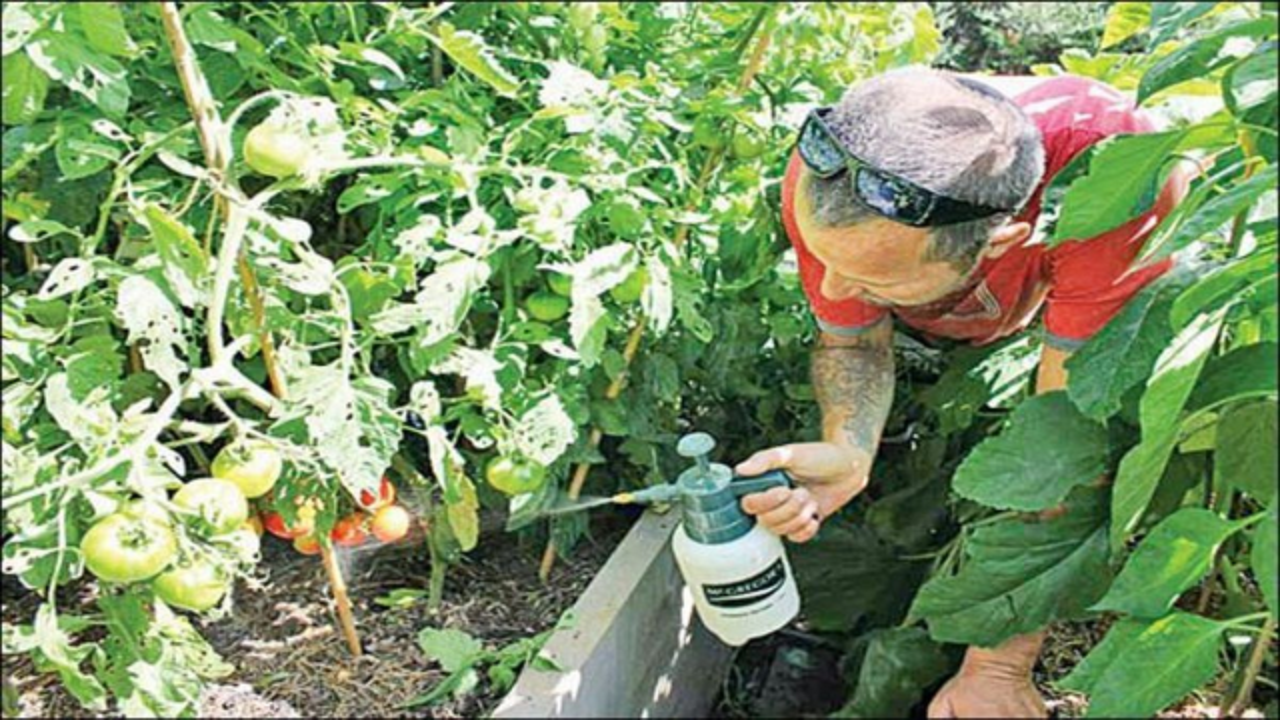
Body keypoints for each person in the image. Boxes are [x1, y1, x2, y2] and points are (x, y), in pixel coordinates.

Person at [734, 67, 1192, 718]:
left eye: (870, 277)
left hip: (1073, 292)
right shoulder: (836, 169)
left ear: (1004, 242)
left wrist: (999, 666)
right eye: (822, 257)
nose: (830, 290)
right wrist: (849, 446)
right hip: (958, 308)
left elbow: (1059, 445)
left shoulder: (1123, 190)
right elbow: (853, 341)